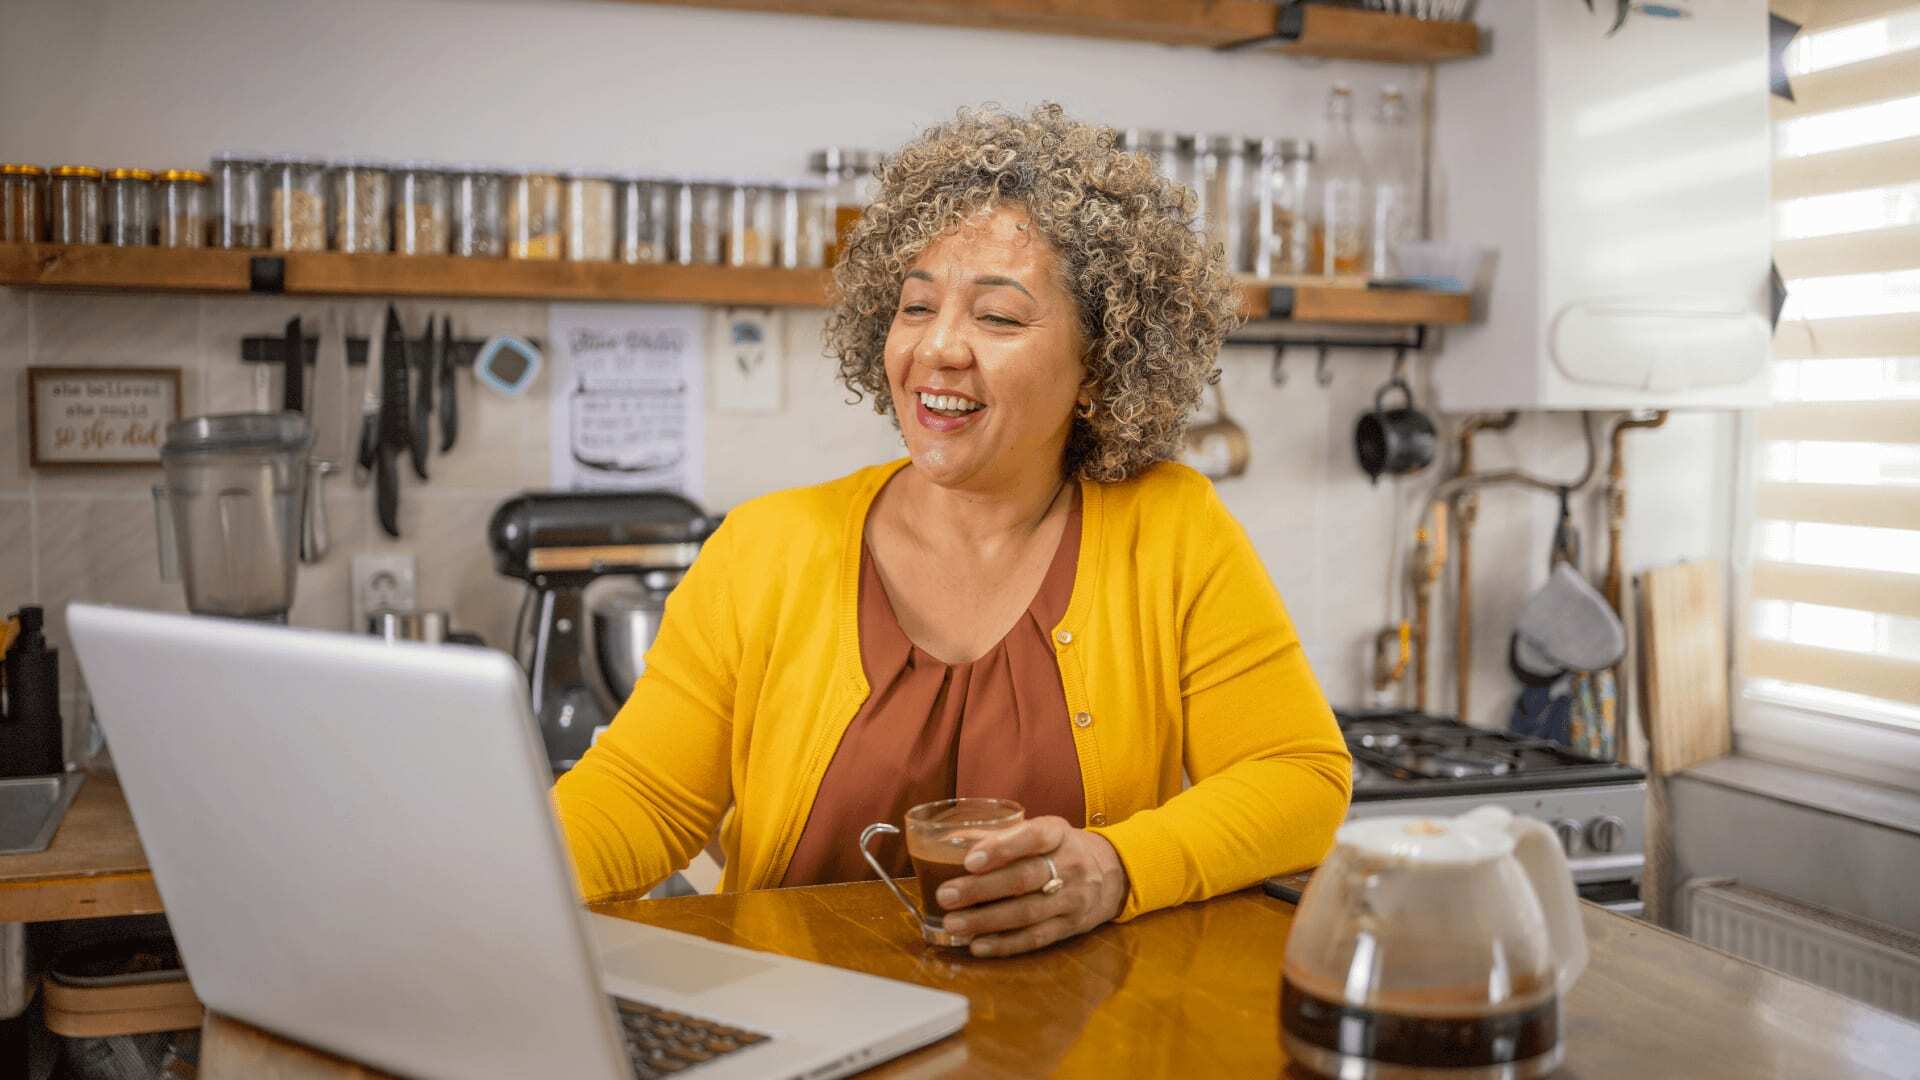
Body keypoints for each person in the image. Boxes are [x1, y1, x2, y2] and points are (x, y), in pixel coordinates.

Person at [555, 104, 1352, 958]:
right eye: (915, 307)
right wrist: (467, 884)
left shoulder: (1171, 531)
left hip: (1089, 1042)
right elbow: (642, 796)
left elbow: (1301, 780)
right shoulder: (766, 547)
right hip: (802, 1031)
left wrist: (1117, 866)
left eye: (998, 318)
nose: (937, 348)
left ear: (1100, 364)